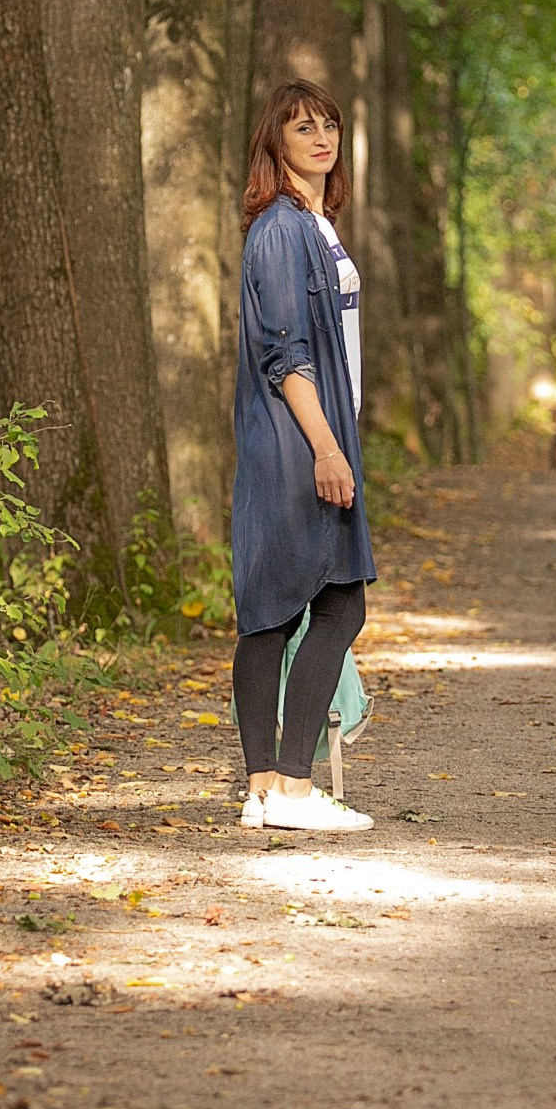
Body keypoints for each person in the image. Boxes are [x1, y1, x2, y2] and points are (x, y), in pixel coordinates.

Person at [230, 80, 376, 834]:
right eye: (301, 128)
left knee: (269, 612)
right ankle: (290, 787)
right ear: (275, 144)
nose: (321, 137)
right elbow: (285, 355)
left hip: (304, 434)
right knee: (337, 601)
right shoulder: (283, 230)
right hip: (296, 437)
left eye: (329, 124)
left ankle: (262, 791)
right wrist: (325, 446)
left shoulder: (313, 225)